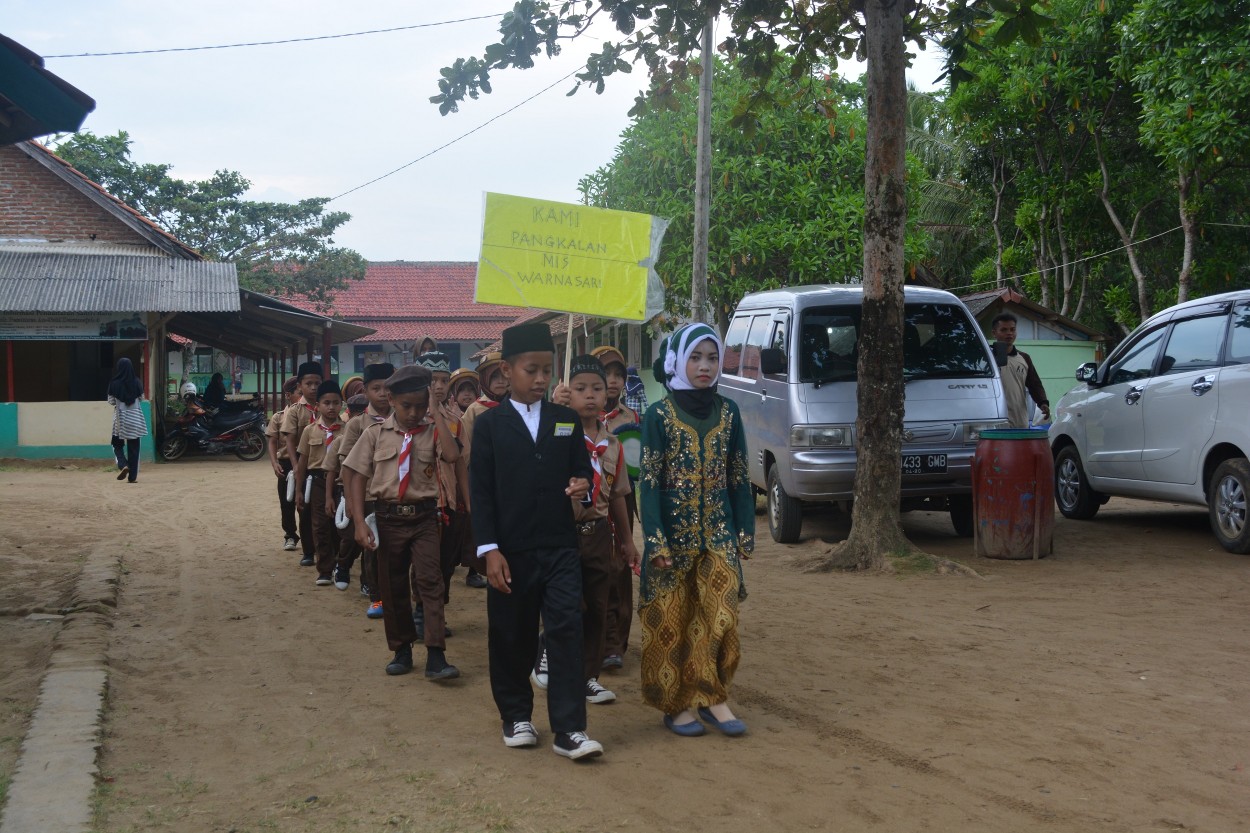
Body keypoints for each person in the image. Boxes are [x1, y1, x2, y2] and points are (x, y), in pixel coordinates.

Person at [470, 322, 602, 761]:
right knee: (513, 633)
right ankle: (516, 715)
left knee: (566, 630)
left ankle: (570, 730)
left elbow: (582, 471)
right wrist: (488, 550)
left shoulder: (566, 420)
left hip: (561, 546)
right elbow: (482, 491)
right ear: (507, 370)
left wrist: (581, 484)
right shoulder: (489, 425)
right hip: (510, 549)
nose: (542, 378)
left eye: (547, 370)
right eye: (532, 369)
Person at [638, 322, 754, 738]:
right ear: (678, 361)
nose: (705, 366)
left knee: (720, 616)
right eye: (695, 357)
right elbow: (649, 482)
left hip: (718, 534)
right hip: (671, 539)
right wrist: (655, 540)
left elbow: (739, 476)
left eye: (712, 357)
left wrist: (745, 531)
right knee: (674, 619)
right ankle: (678, 704)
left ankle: (715, 697)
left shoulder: (729, 412)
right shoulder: (658, 416)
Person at [344, 365, 462, 682]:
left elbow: (452, 456)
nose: (413, 413)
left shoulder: (434, 430)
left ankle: (436, 655)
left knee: (430, 581)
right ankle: (402, 650)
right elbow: (354, 476)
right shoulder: (374, 434)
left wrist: (436, 415)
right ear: (392, 400)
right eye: (406, 405)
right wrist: (358, 521)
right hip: (387, 517)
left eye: (420, 405)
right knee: (392, 584)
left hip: (424, 516)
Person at [563, 354, 640, 706]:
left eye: (596, 388)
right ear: (567, 393)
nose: (591, 395)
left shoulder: (613, 445)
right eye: (580, 389)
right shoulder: (559, 434)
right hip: (561, 533)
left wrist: (627, 542)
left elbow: (620, 496)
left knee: (597, 606)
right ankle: (559, 665)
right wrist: (554, 411)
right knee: (568, 605)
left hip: (597, 532)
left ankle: (588, 676)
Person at [590, 345, 642, 672]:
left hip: (622, 499)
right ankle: (590, 640)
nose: (613, 381)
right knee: (593, 571)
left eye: (618, 374)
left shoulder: (631, 419)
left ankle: (614, 643)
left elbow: (638, 464)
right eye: (606, 373)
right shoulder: (574, 415)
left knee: (619, 568)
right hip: (588, 505)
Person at [331, 363, 394, 615]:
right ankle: (376, 595)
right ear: (365, 391)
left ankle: (386, 591)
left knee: (392, 548)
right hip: (367, 494)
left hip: (394, 494)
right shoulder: (357, 425)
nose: (382, 393)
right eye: (375, 388)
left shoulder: (402, 420)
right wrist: (349, 499)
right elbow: (347, 465)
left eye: (387, 387)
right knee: (373, 546)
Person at [295, 380, 345, 587]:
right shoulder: (309, 431)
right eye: (326, 403)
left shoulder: (348, 429)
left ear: (342, 404)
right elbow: (302, 462)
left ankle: (339, 564)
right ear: (318, 406)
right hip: (316, 481)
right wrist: (298, 491)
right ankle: (324, 569)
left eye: (335, 402)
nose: (331, 407)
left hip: (342, 482)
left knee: (340, 527)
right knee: (320, 525)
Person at [281, 361, 323, 567]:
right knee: (304, 510)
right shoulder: (296, 411)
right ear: (300, 386)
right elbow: (289, 439)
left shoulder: (328, 406)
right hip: (302, 466)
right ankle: (308, 550)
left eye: (317, 383)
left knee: (324, 510)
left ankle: (326, 550)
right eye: (309, 383)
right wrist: (296, 466)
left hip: (325, 466)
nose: (313, 387)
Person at [990, 313, 1051, 428]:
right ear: (994, 333)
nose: (1009, 333)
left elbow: (1035, 384)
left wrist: (1043, 402)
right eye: (1004, 330)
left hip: (1020, 423)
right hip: (995, 425)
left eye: (1012, 329)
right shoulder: (987, 358)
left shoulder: (1024, 358)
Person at [266, 377, 302, 551]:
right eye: (299, 393)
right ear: (289, 395)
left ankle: (311, 537)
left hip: (305, 462)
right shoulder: (279, 417)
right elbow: (272, 441)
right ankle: (290, 535)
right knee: (286, 502)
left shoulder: (312, 415)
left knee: (306, 503)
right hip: (286, 464)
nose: (302, 397)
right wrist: (274, 463)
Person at [107, 357, 147, 484]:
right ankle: (132, 477)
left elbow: (111, 401)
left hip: (120, 420)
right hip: (135, 419)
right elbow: (141, 398)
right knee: (134, 448)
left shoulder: (113, 383)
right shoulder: (137, 382)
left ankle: (123, 464)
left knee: (116, 444)